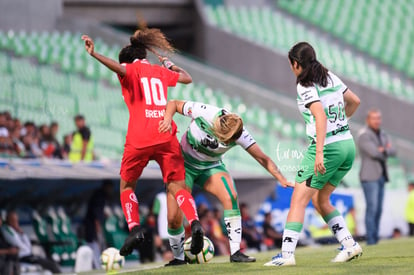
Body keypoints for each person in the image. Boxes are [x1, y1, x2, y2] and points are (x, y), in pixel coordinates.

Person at [81, 28, 204, 258]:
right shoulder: (159, 71)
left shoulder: (130, 69)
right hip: (166, 134)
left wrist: (94, 54)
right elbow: (187, 78)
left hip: (139, 138)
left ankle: (134, 228)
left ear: (128, 60)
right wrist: (169, 65)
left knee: (127, 186)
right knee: (177, 186)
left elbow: (119, 68)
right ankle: (195, 222)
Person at [159, 100, 293, 263]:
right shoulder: (205, 112)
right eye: (225, 140)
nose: (227, 143)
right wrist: (167, 120)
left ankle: (236, 252)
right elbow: (173, 103)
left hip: (210, 166)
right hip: (183, 163)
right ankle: (179, 258)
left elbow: (262, 158)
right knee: (173, 218)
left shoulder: (240, 134)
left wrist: (281, 178)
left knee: (231, 197)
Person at [265, 42, 361, 266]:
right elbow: (355, 101)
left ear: (296, 63)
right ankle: (349, 245)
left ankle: (286, 255)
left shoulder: (304, 85)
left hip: (326, 148)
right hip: (347, 145)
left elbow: (320, 116)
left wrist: (319, 153)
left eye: (291, 64)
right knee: (320, 200)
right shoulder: (330, 77)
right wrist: (341, 124)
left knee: (298, 201)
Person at [357, 108, 396, 245]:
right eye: (374, 118)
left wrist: (383, 149)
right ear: (368, 120)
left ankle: (375, 237)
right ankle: (371, 239)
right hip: (369, 176)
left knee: (378, 209)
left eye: (378, 118)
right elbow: (374, 153)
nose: (377, 121)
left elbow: (393, 151)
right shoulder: (364, 134)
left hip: (382, 175)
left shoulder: (383, 134)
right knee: (372, 208)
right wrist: (385, 149)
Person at [83, 180, 114, 269]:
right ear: (106, 187)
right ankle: (97, 266)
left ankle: (97, 265)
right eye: (110, 188)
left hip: (93, 224)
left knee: (95, 244)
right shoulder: (99, 197)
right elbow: (96, 215)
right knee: (94, 244)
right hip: (92, 225)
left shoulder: (101, 196)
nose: (111, 190)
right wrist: (98, 229)